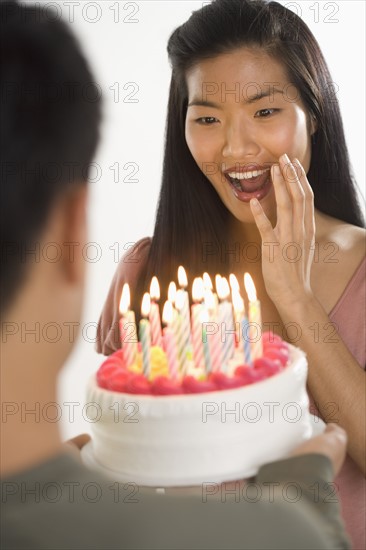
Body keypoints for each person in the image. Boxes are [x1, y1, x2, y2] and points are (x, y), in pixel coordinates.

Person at [0, 1, 354, 549]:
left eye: (265, 112)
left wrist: (297, 299)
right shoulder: (147, 272)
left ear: (316, 111)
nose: (237, 148)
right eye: (207, 118)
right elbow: (137, 447)